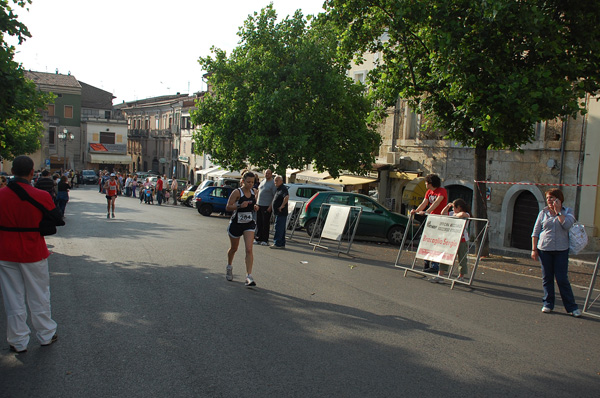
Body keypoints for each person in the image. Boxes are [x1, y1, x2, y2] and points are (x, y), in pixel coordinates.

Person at [0, 156, 62, 353]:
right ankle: (45, 333)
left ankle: (18, 340)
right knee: (39, 293)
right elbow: (56, 216)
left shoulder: (1, 195)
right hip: (33, 248)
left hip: (5, 249)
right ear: (30, 172)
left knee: (12, 297)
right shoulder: (41, 195)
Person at [531, 188, 581, 317]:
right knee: (547, 278)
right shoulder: (543, 213)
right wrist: (534, 249)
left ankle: (571, 307)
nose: (549, 200)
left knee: (562, 278)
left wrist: (558, 212)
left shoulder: (568, 212)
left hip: (561, 250)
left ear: (559, 199)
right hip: (545, 249)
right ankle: (548, 303)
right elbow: (535, 232)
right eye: (548, 198)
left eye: (552, 198)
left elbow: (567, 225)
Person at [225, 171, 258, 287]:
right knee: (234, 248)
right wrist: (239, 205)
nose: (250, 184)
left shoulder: (255, 192)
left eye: (252, 182)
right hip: (236, 223)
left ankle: (249, 276)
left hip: (248, 223)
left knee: (249, 249)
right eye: (248, 182)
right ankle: (229, 266)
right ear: (243, 181)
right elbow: (228, 207)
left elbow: (254, 205)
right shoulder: (237, 192)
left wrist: (255, 207)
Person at [410, 174, 448, 273]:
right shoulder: (428, 192)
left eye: (426, 182)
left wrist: (426, 212)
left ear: (431, 183)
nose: (425, 184)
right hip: (431, 218)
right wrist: (416, 210)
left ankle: (435, 266)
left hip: (440, 219)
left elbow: (437, 203)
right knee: (427, 240)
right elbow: (424, 203)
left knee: (436, 242)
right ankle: (426, 262)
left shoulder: (442, 191)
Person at [430, 199, 471, 283]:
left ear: (459, 207)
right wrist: (448, 206)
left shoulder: (466, 214)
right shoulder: (452, 213)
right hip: (452, 238)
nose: (452, 210)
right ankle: (440, 275)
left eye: (454, 208)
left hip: (462, 239)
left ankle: (461, 276)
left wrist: (455, 215)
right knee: (445, 256)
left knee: (462, 258)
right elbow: (443, 213)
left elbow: (462, 214)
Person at [255, 169, 276, 246]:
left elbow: (274, 196)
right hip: (259, 205)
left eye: (269, 173)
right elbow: (258, 191)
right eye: (266, 173)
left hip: (266, 206)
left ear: (271, 174)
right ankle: (258, 238)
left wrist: (270, 206)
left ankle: (265, 239)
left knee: (265, 223)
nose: (267, 174)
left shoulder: (273, 183)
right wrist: (256, 203)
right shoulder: (263, 181)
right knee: (259, 222)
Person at [270, 175, 289, 249]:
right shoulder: (279, 188)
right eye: (275, 180)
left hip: (281, 212)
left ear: (281, 181)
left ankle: (277, 243)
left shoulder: (283, 188)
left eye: (277, 180)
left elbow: (286, 197)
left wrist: (282, 206)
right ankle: (281, 243)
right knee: (281, 228)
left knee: (279, 228)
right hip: (279, 213)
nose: (275, 182)